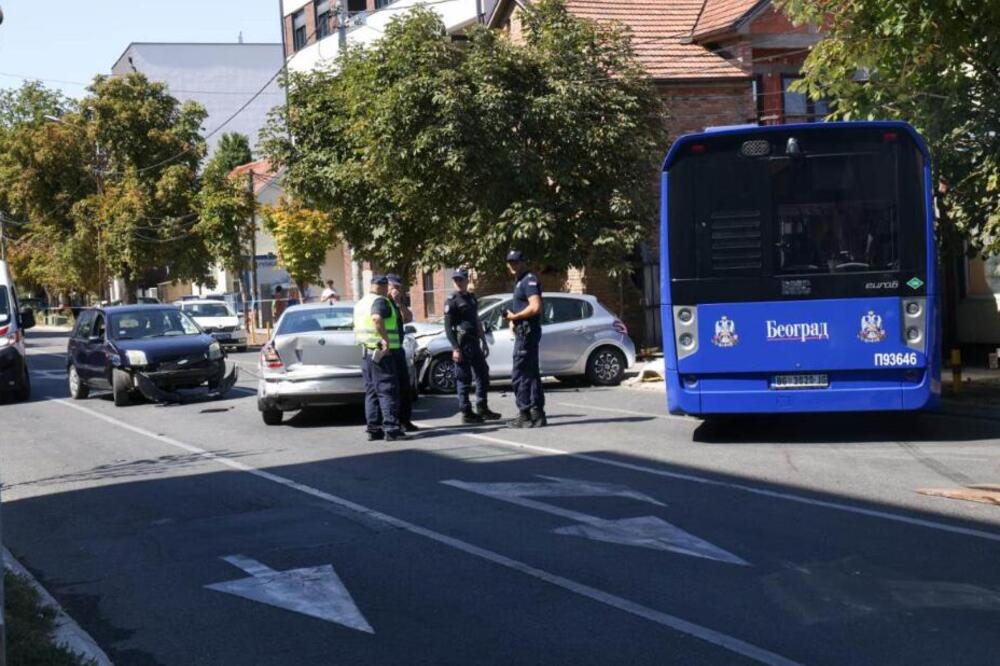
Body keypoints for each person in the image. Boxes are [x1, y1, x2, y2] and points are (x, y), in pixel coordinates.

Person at [353, 275, 407, 442]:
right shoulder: (380, 301)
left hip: (367, 353)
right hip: (381, 352)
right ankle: (391, 429)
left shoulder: (361, 303)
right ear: (384, 286)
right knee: (387, 389)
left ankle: (374, 429)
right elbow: (377, 318)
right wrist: (385, 340)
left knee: (372, 392)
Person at [444, 268, 501, 423]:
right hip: (461, 343)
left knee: (483, 373)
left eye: (460, 279)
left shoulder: (471, 298)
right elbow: (448, 328)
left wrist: (483, 341)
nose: (458, 282)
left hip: (474, 341)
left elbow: (476, 320)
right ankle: (466, 412)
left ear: (466, 280)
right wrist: (455, 348)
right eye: (455, 280)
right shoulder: (452, 300)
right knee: (464, 378)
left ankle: (482, 407)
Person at [503, 250, 546, 428]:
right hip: (525, 332)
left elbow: (536, 307)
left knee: (519, 375)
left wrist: (516, 317)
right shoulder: (520, 281)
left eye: (516, 262)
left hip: (526, 334)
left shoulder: (529, 280)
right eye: (510, 262)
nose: (513, 265)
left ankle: (524, 415)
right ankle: (537, 414)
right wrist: (514, 320)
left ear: (523, 262)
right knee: (531, 374)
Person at [386, 273, 419, 432]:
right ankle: (392, 423)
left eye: (398, 287)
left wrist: (399, 303)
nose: (396, 290)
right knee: (391, 388)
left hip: (398, 348)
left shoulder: (397, 303)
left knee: (405, 387)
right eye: (394, 287)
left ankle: (405, 420)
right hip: (386, 350)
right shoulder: (382, 302)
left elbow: (408, 318)